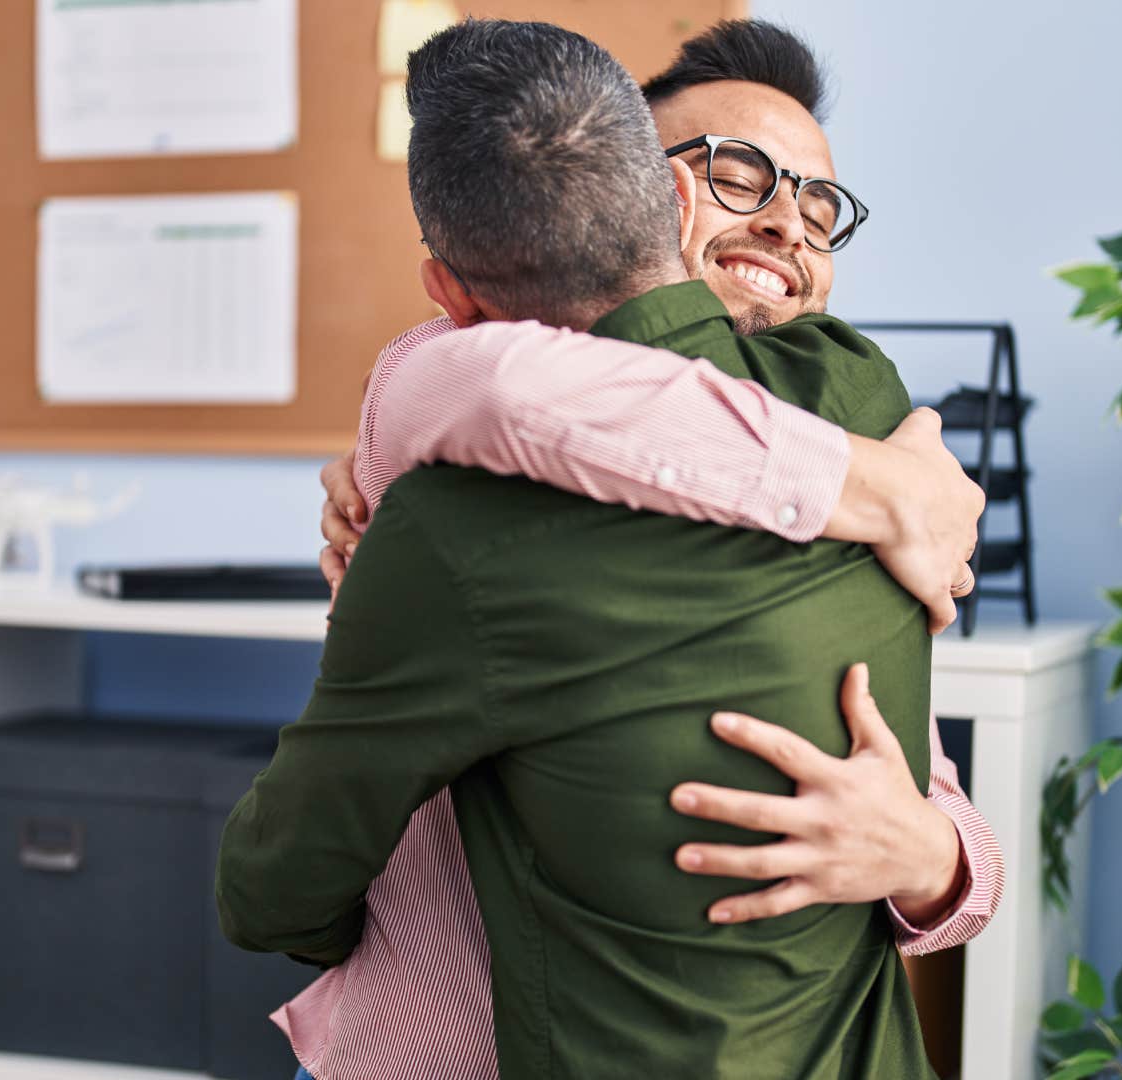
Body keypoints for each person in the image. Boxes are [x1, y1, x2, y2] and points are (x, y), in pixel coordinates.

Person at [219, 19, 953, 1078]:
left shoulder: (869, 444)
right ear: (656, 199)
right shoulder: (873, 429)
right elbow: (489, 381)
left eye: (823, 204)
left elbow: (932, 784)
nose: (794, 221)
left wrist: (927, 855)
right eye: (742, 176)